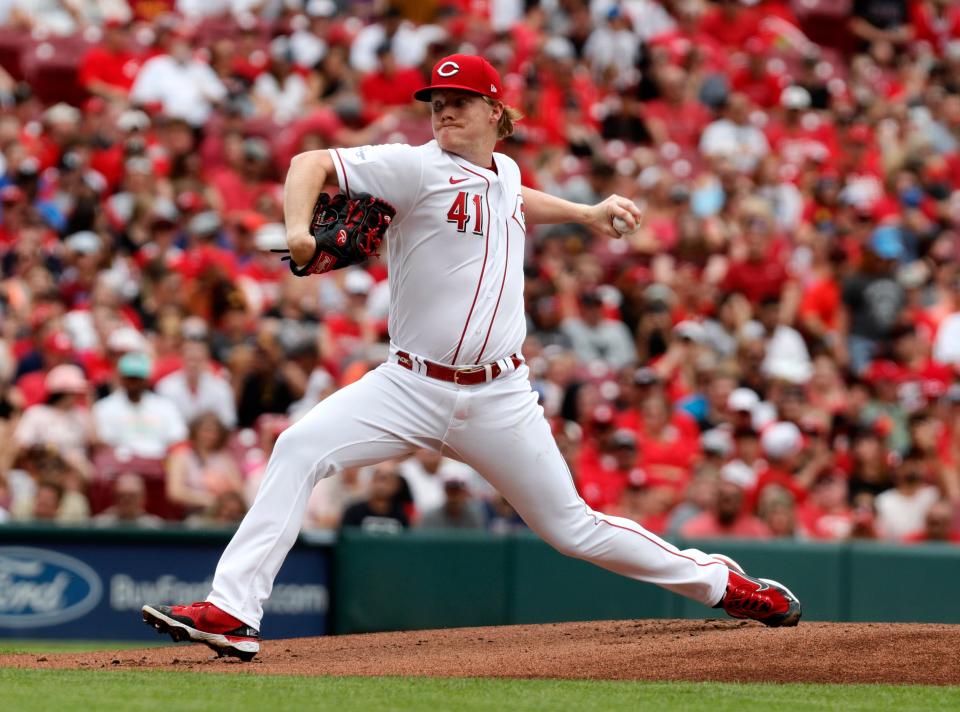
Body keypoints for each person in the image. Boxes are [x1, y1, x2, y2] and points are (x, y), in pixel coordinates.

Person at [142, 53, 801, 661]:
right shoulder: (414, 166)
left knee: (574, 529)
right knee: (296, 448)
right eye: (437, 101)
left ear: (495, 112)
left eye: (460, 99)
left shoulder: (505, 173)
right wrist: (295, 230)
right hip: (407, 386)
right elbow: (308, 164)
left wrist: (585, 213)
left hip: (499, 398)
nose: (444, 110)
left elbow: (511, 200)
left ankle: (722, 584)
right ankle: (232, 609)